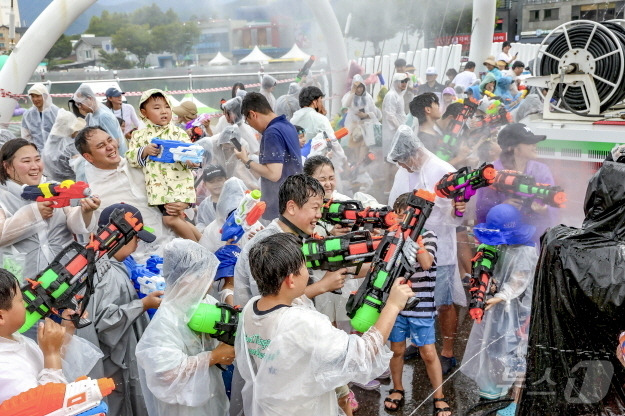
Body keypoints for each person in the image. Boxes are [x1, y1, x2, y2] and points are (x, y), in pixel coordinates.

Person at [235, 232, 413, 415]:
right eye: (304, 267)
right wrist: (393, 305)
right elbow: (363, 353)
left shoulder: (252, 308)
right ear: (290, 279)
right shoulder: (301, 322)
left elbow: (296, 300)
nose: (308, 272)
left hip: (271, 407)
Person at [387, 126, 465, 376]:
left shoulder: (443, 170)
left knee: (442, 302)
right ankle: (419, 343)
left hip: (439, 249)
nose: (402, 167)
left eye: (403, 162)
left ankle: (448, 353)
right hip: (408, 249)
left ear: (413, 154)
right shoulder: (404, 171)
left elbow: (459, 212)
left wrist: (457, 209)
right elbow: (394, 204)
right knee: (413, 298)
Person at [76, 203, 160, 416]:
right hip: (112, 366)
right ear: (120, 236)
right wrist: (143, 304)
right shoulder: (109, 274)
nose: (138, 242)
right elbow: (105, 322)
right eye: (136, 237)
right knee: (120, 405)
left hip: (111, 361)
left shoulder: (105, 263)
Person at [136, 239, 233, 416]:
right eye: (205, 276)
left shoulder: (206, 302)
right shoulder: (166, 320)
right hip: (183, 408)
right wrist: (213, 356)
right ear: (186, 279)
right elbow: (165, 373)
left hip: (212, 398)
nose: (209, 284)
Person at [461, 204, 537, 416]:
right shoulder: (496, 246)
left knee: (517, 354)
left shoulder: (526, 250)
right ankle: (493, 390)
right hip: (496, 309)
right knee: (493, 348)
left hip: (518, 311)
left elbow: (519, 280)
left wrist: (500, 297)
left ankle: (514, 401)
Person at [385, 192, 450, 415]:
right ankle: (397, 388)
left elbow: (425, 263)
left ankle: (439, 395)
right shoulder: (392, 236)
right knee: (396, 350)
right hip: (396, 306)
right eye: (399, 214)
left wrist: (414, 237)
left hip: (421, 307)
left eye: (408, 215)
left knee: (429, 353)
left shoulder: (428, 236)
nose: (403, 218)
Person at [0, 138, 100, 281]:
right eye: (26, 161)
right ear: (7, 166)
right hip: (25, 280)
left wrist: (85, 211)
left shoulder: (53, 187)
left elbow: (72, 221)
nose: (35, 166)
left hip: (66, 270)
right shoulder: (2, 197)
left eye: (37, 159)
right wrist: (34, 213)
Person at [0, 268, 104, 403]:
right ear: (1, 316)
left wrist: (66, 332)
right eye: (20, 300)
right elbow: (45, 405)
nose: (25, 304)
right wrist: (51, 354)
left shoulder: (13, 338)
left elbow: (48, 369)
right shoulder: (6, 368)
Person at [76, 126, 176, 261]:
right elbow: (87, 228)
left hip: (174, 243)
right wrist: (86, 212)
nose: (110, 147)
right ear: (88, 157)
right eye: (101, 146)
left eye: (110, 140)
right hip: (141, 262)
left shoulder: (139, 163)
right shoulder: (93, 193)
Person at [126, 89, 201, 241]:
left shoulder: (178, 133)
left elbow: (193, 157)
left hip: (179, 186)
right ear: (144, 112)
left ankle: (197, 248)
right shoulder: (139, 135)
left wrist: (191, 161)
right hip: (160, 191)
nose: (164, 111)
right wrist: (144, 151)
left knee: (170, 220)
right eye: (157, 108)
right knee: (178, 219)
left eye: (167, 106)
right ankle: (203, 242)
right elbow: (130, 157)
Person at [475, 123, 558, 247]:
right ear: (512, 147)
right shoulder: (492, 172)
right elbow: (481, 212)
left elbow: (555, 206)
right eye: (529, 142)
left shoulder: (541, 170)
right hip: (500, 242)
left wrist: (545, 210)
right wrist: (501, 208)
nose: (534, 146)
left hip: (534, 240)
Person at [234, 92, 302, 221]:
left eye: (248, 122)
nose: (252, 127)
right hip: (295, 199)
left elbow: (273, 174)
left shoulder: (272, 133)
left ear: (253, 114)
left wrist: (246, 160)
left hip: (280, 207)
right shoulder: (288, 126)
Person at [291, 86, 346, 181]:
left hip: (297, 167)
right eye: (321, 100)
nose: (322, 104)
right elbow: (333, 141)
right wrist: (343, 159)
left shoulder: (292, 119)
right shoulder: (320, 119)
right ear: (314, 102)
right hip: (318, 167)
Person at [72, 84, 127, 155]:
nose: (80, 107)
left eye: (80, 103)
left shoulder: (103, 116)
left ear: (89, 99)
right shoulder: (92, 114)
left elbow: (115, 142)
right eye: (77, 104)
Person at [341, 74, 380, 162]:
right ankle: (356, 165)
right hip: (354, 126)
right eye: (357, 87)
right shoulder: (349, 96)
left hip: (366, 125)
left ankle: (360, 163)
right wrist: (352, 92)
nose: (359, 89)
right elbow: (345, 105)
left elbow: (375, 112)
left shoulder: (368, 97)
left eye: (360, 87)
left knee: (365, 145)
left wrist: (365, 115)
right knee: (355, 146)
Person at [42, 109, 85, 182]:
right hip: (71, 184)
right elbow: (81, 169)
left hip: (52, 182)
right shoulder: (70, 146)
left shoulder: (51, 140)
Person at [21, 83, 59, 151]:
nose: (35, 99)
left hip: (56, 152)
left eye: (38, 96)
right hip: (36, 153)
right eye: (32, 96)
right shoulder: (28, 115)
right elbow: (26, 136)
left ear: (45, 96)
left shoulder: (56, 112)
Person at [382, 73, 409, 157]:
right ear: (395, 82)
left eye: (405, 81)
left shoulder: (399, 95)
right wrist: (399, 128)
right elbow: (390, 115)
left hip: (398, 132)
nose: (404, 83)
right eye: (402, 81)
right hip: (391, 133)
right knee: (390, 158)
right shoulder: (391, 95)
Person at [195, 164, 227, 232]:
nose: (216, 184)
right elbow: (200, 224)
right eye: (211, 182)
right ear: (205, 185)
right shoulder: (204, 206)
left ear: (226, 180)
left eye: (219, 180)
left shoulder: (235, 198)